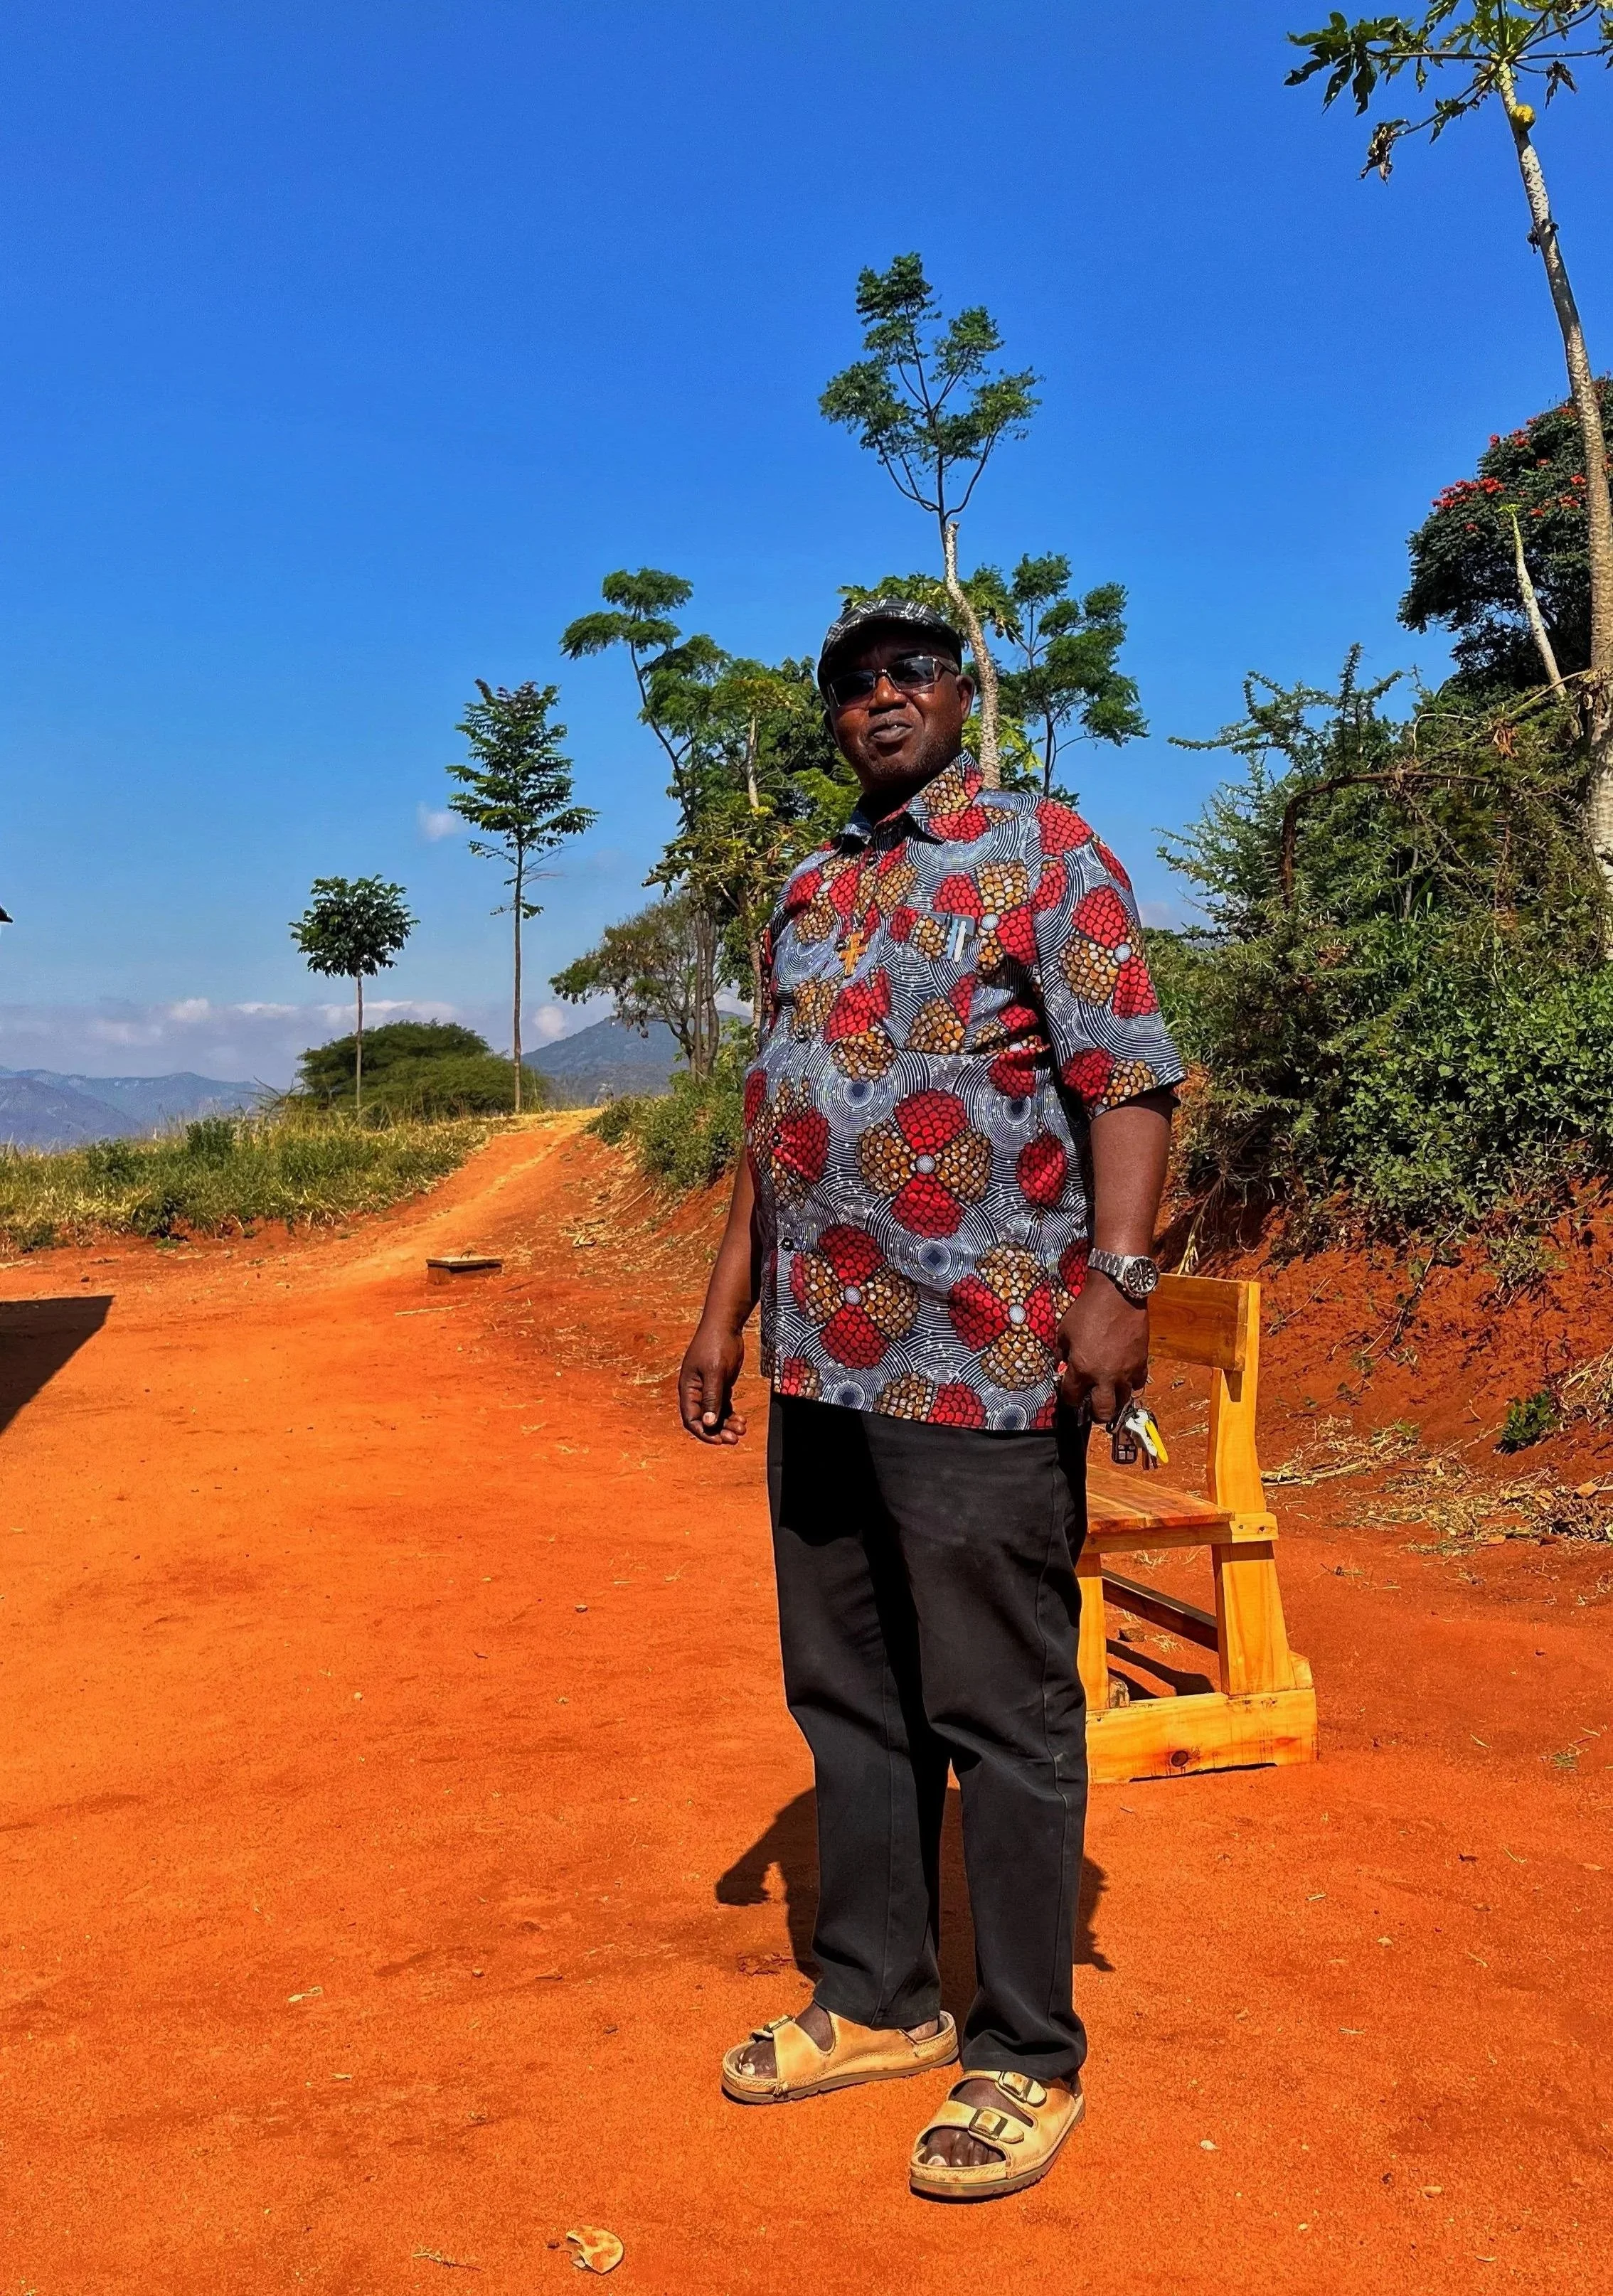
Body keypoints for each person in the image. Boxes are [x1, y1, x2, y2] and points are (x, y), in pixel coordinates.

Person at [678, 598, 1184, 2202]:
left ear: (961, 694)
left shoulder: (1045, 852)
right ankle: (874, 1995)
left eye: (910, 674)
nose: (882, 698)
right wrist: (719, 1317)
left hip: (984, 1351)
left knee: (999, 1709)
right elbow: (774, 1121)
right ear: (831, 717)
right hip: (822, 1360)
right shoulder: (811, 888)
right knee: (848, 1697)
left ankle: (1025, 2051)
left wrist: (1118, 1284)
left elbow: (1132, 1076)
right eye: (853, 684)